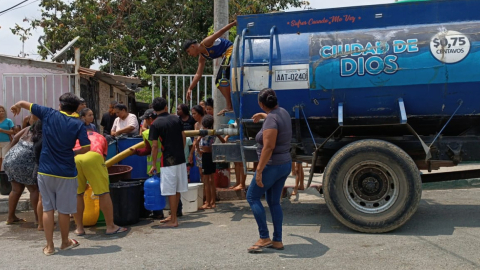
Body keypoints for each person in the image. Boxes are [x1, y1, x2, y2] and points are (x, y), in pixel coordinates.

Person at [10, 93, 91, 256]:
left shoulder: (48, 113)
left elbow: (25, 103)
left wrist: (17, 105)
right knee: (63, 211)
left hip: (45, 170)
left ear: (60, 105)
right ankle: (65, 242)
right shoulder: (78, 124)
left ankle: (49, 246)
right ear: (76, 108)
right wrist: (73, 153)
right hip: (67, 172)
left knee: (47, 208)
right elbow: (87, 147)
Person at [246, 88, 292, 253]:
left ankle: (264, 237)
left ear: (260, 103)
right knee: (273, 202)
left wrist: (259, 170)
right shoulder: (283, 112)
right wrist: (264, 116)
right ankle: (277, 240)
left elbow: (269, 147)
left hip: (272, 166)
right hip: (284, 164)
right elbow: (275, 120)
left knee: (252, 197)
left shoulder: (272, 120)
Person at [73, 130, 127, 236]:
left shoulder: (77, 135)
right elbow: (103, 160)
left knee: (78, 194)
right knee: (103, 193)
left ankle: (79, 228)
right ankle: (110, 227)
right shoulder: (101, 138)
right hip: (93, 155)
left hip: (75, 157)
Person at [148, 97, 187, 228]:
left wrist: (154, 164)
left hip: (168, 160)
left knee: (170, 190)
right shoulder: (176, 118)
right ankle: (173, 215)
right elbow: (183, 137)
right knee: (177, 188)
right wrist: (181, 151)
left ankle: (174, 220)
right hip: (180, 158)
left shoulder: (155, 124)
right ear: (166, 107)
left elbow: (154, 146)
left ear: (154, 110)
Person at [184, 20, 237, 116]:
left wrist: (233, 23)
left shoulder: (206, 42)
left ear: (192, 46)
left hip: (231, 50)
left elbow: (220, 32)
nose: (189, 54)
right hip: (226, 55)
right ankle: (231, 105)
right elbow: (198, 74)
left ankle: (230, 106)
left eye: (188, 51)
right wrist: (190, 88)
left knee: (221, 79)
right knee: (219, 82)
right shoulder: (202, 57)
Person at [130, 109, 169, 219]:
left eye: (145, 120)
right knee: (171, 187)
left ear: (150, 119)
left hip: (155, 166)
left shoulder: (147, 133)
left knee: (156, 189)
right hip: (168, 162)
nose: (144, 122)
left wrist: (136, 151)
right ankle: (177, 209)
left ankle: (158, 213)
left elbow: (147, 150)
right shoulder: (166, 128)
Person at [4, 118, 40, 225]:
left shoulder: (28, 128)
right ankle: (39, 219)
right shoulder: (43, 132)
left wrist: (12, 152)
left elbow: (15, 138)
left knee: (16, 190)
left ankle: (10, 217)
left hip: (11, 159)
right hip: (26, 162)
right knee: (33, 189)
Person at [197, 115, 225, 209]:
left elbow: (196, 142)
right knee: (212, 180)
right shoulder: (213, 132)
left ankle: (207, 202)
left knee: (206, 180)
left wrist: (199, 151)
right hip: (212, 155)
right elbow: (223, 141)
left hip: (205, 155)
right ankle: (213, 201)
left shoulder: (203, 132)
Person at [188, 105, 205, 189]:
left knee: (207, 174)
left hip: (205, 150)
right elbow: (195, 140)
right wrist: (191, 153)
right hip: (198, 151)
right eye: (192, 114)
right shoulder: (196, 124)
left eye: (195, 113)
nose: (193, 115)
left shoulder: (206, 123)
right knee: (201, 173)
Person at [0, 105, 15, 170]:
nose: (1, 112)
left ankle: (4, 176)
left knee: (4, 159)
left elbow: (13, 132)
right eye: (0, 111)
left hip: (6, 142)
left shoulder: (8, 121)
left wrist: (2, 130)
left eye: (3, 111)